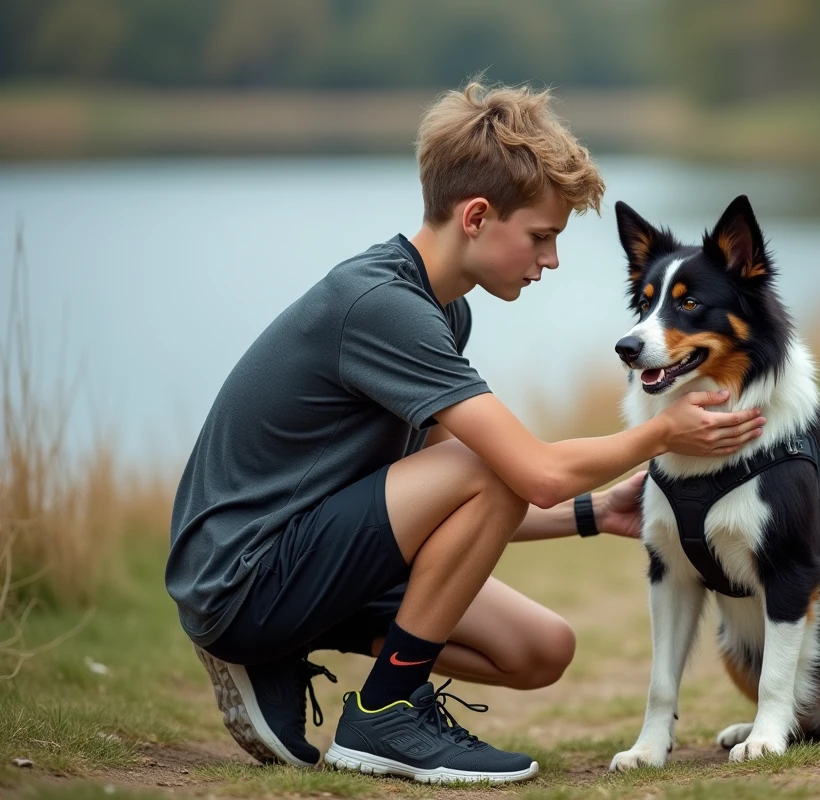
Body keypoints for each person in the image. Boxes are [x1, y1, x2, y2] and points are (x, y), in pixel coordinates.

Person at [166, 78, 767, 784]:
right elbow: (521, 473)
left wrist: (594, 512)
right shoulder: (381, 306)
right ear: (477, 216)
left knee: (540, 648)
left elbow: (443, 499)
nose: (551, 260)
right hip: (243, 578)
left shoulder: (445, 312)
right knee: (496, 463)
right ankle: (384, 712)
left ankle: (282, 650)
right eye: (541, 237)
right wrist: (660, 436)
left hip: (312, 562)